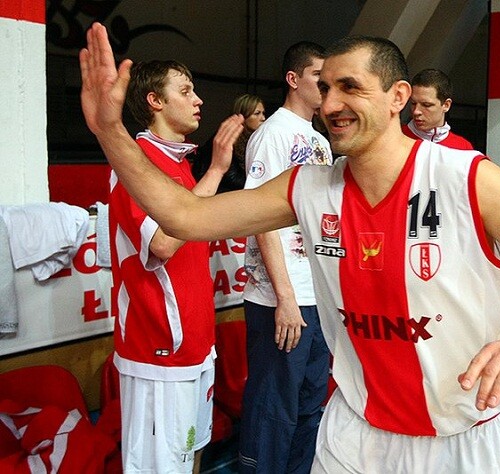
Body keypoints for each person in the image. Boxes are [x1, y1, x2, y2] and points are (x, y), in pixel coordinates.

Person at [80, 23, 500, 473]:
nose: (331, 104)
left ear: (398, 97)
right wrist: (110, 131)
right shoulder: (307, 186)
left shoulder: (466, 177)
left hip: (466, 439)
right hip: (356, 436)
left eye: (350, 87)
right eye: (326, 88)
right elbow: (184, 217)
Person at [108, 58, 244, 473]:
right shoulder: (135, 162)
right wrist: (217, 171)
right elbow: (164, 243)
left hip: (196, 344)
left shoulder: (179, 162)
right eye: (185, 91)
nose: (198, 100)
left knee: (192, 451)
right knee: (162, 466)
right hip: (158, 353)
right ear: (155, 101)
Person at [240, 41, 333, 474]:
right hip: (279, 298)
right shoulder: (272, 134)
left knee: (310, 406)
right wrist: (285, 297)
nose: (327, 87)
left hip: (317, 297)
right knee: (273, 408)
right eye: (318, 77)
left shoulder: (321, 140)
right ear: (294, 79)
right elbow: (260, 218)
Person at [192, 93, 266, 190]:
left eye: (263, 113)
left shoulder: (254, 137)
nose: (263, 118)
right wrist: (258, 185)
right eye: (257, 113)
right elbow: (231, 178)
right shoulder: (228, 136)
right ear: (243, 116)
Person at [402, 68, 474, 149]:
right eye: (413, 103)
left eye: (426, 105)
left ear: (446, 105)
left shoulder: (463, 148)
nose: (416, 111)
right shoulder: (396, 138)